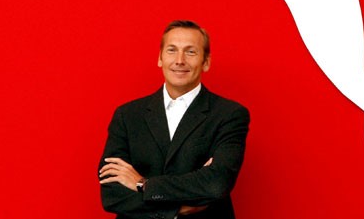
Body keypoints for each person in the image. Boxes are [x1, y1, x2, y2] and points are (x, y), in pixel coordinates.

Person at [98, 19, 251, 219]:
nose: (180, 60)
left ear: (206, 62)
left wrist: (143, 184)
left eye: (191, 52)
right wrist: (176, 210)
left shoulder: (229, 114)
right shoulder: (127, 115)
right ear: (160, 58)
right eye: (171, 50)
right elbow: (111, 194)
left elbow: (216, 184)